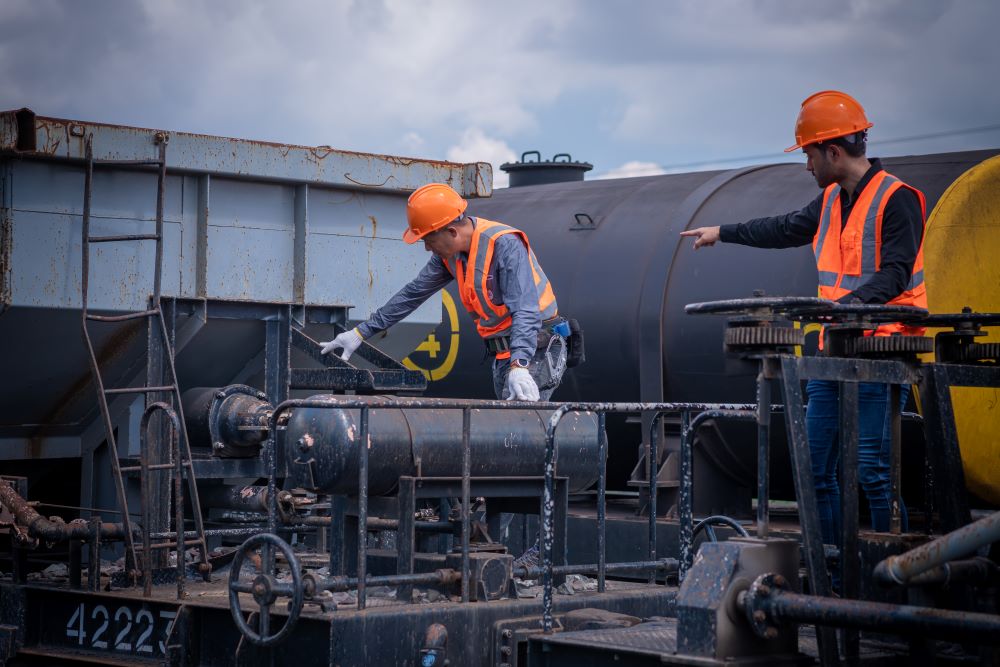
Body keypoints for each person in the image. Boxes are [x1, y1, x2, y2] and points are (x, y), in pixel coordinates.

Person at [680, 91, 926, 554]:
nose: (806, 166)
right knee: (815, 469)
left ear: (833, 151)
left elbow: (895, 273)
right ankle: (831, 571)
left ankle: (888, 576)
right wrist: (722, 232)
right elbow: (785, 227)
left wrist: (844, 308)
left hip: (881, 349)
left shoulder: (898, 199)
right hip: (832, 348)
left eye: (809, 155)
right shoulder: (832, 199)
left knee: (873, 469)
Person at [321, 182, 569, 402]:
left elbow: (525, 310)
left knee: (519, 434)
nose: (428, 248)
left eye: (429, 240)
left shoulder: (504, 244)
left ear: (452, 232)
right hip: (505, 355)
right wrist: (359, 333)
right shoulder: (449, 257)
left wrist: (520, 364)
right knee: (513, 436)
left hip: (535, 349)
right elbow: (412, 295)